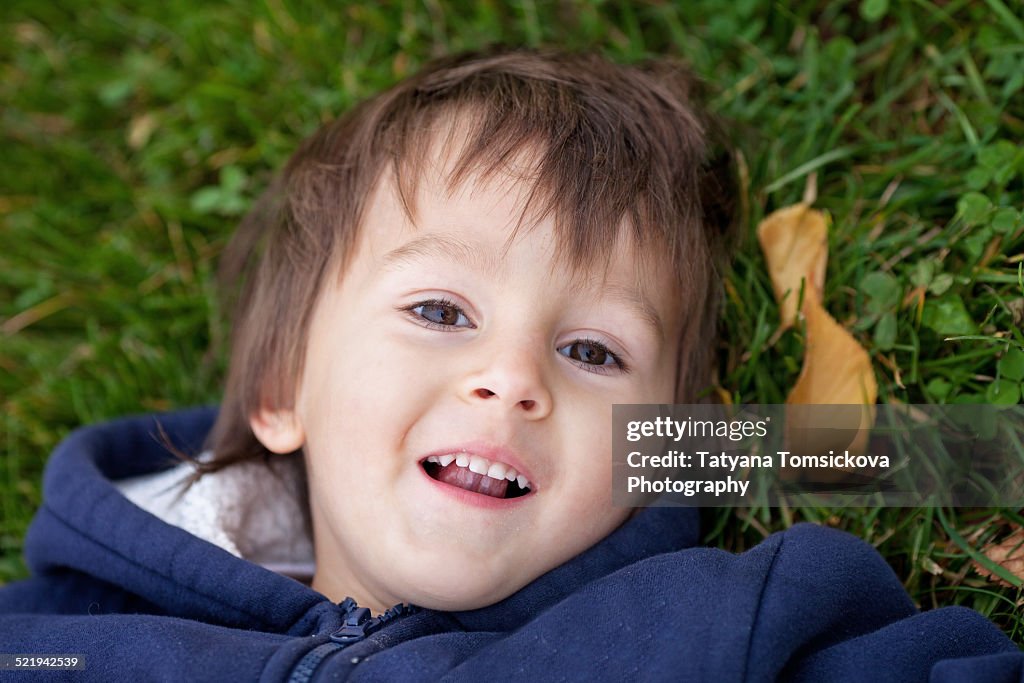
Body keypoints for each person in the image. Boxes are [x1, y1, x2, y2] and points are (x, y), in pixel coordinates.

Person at [0, 48, 1020, 682]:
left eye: (591, 350)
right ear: (278, 389)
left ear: (661, 447)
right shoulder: (63, 635)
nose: (512, 376)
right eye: (441, 309)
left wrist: (962, 459)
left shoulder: (716, 627)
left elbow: (957, 467)